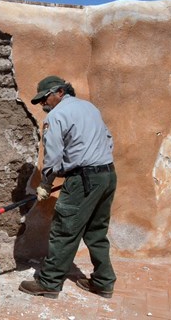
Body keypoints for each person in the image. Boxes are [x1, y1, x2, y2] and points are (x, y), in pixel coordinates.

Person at [19, 75, 117, 299]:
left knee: (64, 230)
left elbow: (52, 156)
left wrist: (46, 182)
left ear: (60, 92)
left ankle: (49, 283)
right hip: (107, 174)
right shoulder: (89, 108)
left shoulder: (57, 115)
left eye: (45, 99)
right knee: (96, 230)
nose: (43, 104)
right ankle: (103, 281)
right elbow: (108, 138)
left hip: (84, 179)